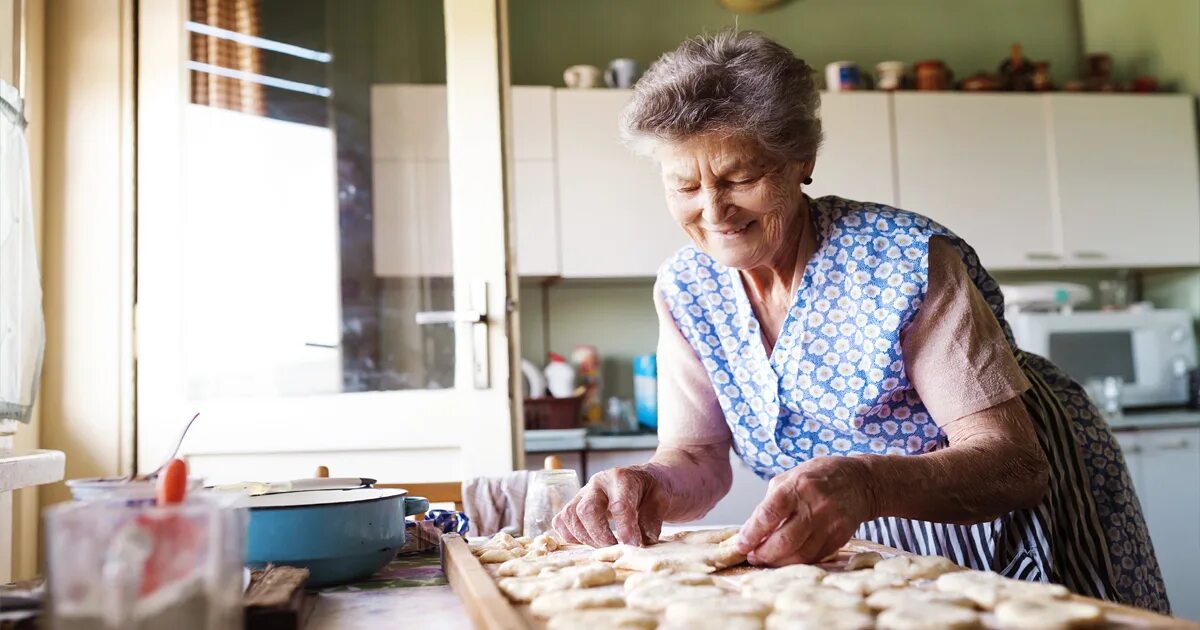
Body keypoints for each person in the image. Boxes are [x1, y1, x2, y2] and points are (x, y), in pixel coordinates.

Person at [551, 30, 1167, 613]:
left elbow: (1013, 465)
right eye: (684, 185)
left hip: (999, 501)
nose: (714, 211)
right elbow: (697, 457)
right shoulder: (686, 287)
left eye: (740, 177)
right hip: (859, 518)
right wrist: (647, 484)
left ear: (802, 159)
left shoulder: (904, 261)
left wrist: (864, 485)